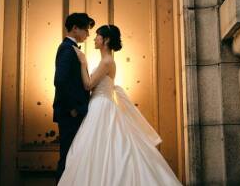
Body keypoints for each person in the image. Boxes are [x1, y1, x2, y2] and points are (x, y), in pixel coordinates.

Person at [58, 24, 183, 186]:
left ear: (106, 40)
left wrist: (83, 63)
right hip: (100, 104)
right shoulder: (106, 61)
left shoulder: (107, 62)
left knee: (100, 147)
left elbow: (88, 85)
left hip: (101, 106)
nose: (94, 38)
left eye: (97, 36)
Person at [53, 12, 96, 183]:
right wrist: (73, 108)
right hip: (70, 113)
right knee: (67, 158)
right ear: (75, 28)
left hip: (75, 112)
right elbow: (60, 81)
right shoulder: (67, 49)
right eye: (86, 30)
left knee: (73, 157)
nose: (88, 34)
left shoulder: (71, 48)